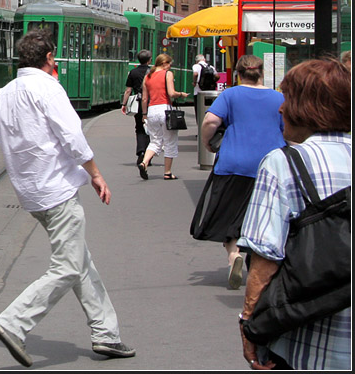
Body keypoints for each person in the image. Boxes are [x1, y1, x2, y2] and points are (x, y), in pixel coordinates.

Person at [0, 31, 135, 366]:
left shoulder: (3, 94)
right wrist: (95, 174)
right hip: (57, 190)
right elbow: (72, 137)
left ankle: (106, 334)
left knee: (79, 260)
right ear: (49, 57)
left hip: (31, 193)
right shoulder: (49, 88)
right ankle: (14, 322)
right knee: (67, 266)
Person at [238, 58, 351, 370]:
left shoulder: (282, 163)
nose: (280, 108)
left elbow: (265, 260)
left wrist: (250, 324)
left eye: (287, 98)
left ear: (307, 107)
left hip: (308, 345)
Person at [191, 55, 285, 290]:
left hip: (234, 163)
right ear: (262, 72)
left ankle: (234, 255)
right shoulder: (278, 97)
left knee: (229, 214)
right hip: (270, 166)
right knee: (264, 217)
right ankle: (260, 265)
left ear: (238, 74)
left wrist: (206, 142)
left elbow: (211, 121)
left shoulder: (230, 94)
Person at [138, 53, 188, 180]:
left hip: (151, 111)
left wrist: (144, 114)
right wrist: (181, 94)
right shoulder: (167, 74)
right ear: (164, 63)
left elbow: (144, 98)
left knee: (155, 141)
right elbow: (171, 93)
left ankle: (144, 162)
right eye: (169, 64)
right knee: (169, 141)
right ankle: (167, 172)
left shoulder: (147, 76)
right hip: (165, 109)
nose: (170, 67)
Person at [121, 49, 152, 163]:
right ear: (150, 60)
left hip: (138, 103)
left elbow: (128, 90)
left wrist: (124, 104)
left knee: (139, 128)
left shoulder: (133, 72)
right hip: (151, 102)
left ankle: (141, 151)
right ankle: (148, 155)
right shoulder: (152, 72)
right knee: (149, 129)